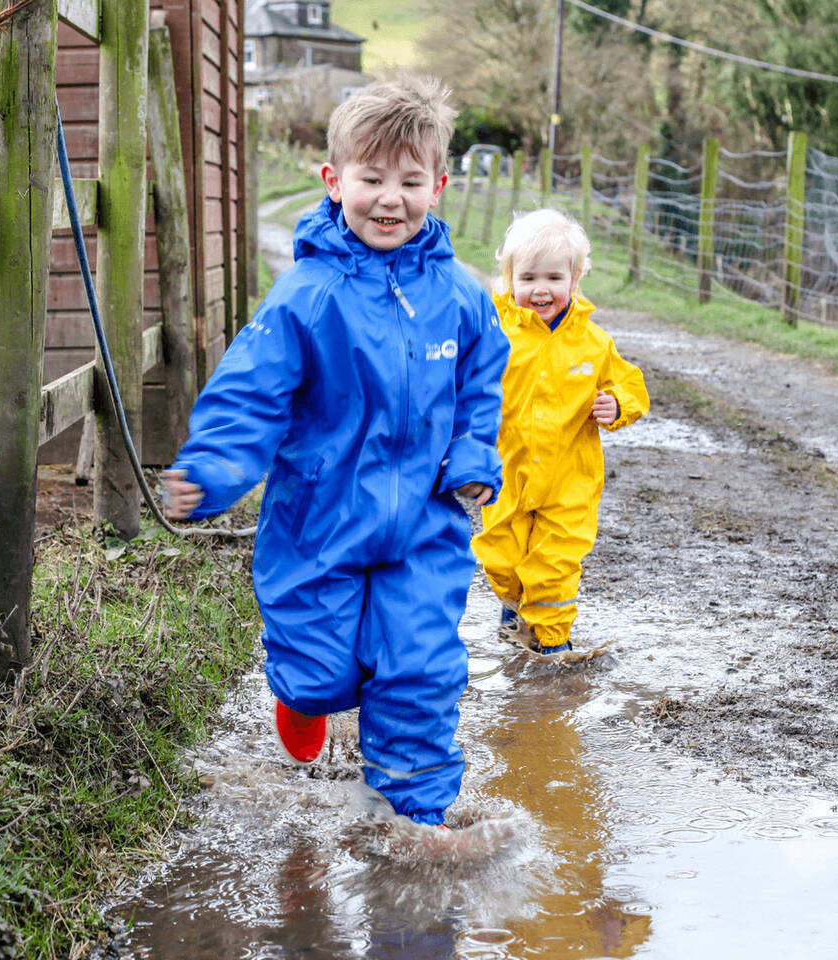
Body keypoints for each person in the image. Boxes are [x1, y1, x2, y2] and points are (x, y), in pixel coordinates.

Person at [161, 75, 510, 828]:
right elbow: (250, 393)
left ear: (438, 187)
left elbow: (483, 383)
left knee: (418, 666)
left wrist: (475, 460)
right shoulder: (307, 295)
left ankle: (416, 815)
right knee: (322, 674)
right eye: (372, 178)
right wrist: (212, 469)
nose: (391, 199)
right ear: (333, 180)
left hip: (428, 522)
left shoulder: (461, 295)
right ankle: (302, 695)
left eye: (410, 182)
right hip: (320, 519)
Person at [473, 208, 649, 654]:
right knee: (500, 556)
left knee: (554, 563)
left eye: (554, 278)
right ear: (509, 279)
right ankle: (514, 606)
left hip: (570, 480)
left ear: (574, 280)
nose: (540, 289)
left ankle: (552, 645)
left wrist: (618, 405)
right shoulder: (492, 333)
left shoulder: (593, 342)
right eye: (528, 277)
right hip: (506, 473)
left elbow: (630, 385)